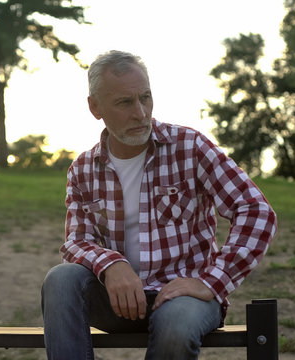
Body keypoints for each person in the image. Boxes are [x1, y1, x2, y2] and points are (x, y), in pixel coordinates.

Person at [40, 50, 277, 360]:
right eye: (125, 102)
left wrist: (211, 282)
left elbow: (255, 210)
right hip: (119, 301)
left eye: (145, 98)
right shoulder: (83, 169)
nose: (140, 113)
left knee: (175, 326)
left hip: (185, 299)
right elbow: (77, 241)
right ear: (95, 107)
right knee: (60, 280)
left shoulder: (190, 147)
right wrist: (112, 265)